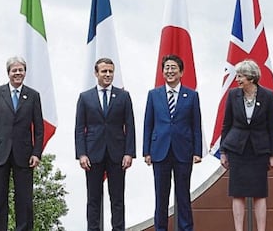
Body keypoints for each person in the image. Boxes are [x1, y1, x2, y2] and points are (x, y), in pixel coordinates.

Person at [0, 56, 44, 231]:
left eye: (20, 70)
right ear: (8, 73)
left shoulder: (33, 95)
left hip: (24, 154)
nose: (17, 73)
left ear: (25, 72)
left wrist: (36, 153)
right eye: (14, 70)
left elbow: (38, 128)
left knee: (24, 199)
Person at [75, 57, 135, 231]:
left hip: (117, 154)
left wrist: (129, 153)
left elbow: (130, 126)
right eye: (104, 71)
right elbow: (79, 128)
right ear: (96, 73)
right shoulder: (85, 97)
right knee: (93, 199)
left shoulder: (123, 96)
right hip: (93, 154)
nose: (108, 75)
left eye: (110, 71)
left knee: (117, 199)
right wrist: (82, 154)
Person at [143, 54, 202, 231]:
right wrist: (146, 151)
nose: (170, 71)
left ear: (181, 71)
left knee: (183, 195)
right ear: (162, 72)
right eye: (166, 68)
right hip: (159, 151)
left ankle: (186, 228)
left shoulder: (191, 95)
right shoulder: (154, 95)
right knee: (161, 196)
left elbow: (196, 125)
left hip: (183, 151)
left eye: (173, 67)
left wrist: (197, 151)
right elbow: (148, 124)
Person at [219, 60, 273, 231]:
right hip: (237, 149)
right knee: (238, 192)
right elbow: (226, 124)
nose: (237, 79)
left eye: (240, 76)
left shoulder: (267, 95)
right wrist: (223, 151)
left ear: (251, 78)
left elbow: (271, 127)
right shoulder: (232, 95)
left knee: (259, 192)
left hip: (259, 150)